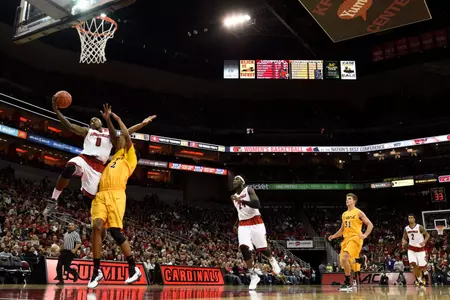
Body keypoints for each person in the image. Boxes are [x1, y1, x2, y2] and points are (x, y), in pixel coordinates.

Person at [43, 97, 156, 216]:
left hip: (98, 167)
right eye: (91, 120)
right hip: (84, 159)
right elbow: (70, 126)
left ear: (101, 122)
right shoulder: (87, 131)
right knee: (70, 167)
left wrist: (140, 123)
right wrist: (57, 111)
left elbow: (124, 134)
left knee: (90, 199)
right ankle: (53, 200)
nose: (93, 121)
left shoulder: (109, 134)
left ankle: (97, 222)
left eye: (95, 119)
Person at [87, 110, 142, 288]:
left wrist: (117, 118)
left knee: (116, 233)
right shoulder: (115, 157)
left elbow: (126, 134)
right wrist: (108, 118)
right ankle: (96, 271)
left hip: (117, 194)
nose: (123, 143)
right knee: (96, 226)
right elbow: (122, 136)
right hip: (101, 194)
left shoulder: (130, 159)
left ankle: (133, 268)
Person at [231, 175, 281, 290]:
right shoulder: (232, 197)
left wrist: (241, 200)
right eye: (233, 180)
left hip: (256, 222)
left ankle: (272, 260)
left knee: (262, 249)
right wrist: (236, 222)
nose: (234, 181)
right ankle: (253, 275)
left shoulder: (248, 190)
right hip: (243, 224)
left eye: (237, 179)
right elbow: (240, 210)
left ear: (242, 182)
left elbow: (257, 204)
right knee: (243, 247)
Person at [328, 193, 374, 292]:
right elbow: (342, 229)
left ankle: (348, 283)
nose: (347, 200)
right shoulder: (344, 214)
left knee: (344, 257)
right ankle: (360, 260)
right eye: (346, 199)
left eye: (349, 199)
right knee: (344, 262)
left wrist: (365, 235)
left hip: (355, 238)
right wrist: (333, 236)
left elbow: (370, 224)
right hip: (346, 239)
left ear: (354, 201)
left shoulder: (359, 212)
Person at [402, 213, 430, 289]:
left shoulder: (419, 227)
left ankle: (425, 273)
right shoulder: (406, 228)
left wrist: (424, 241)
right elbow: (404, 237)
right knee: (413, 264)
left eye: (411, 218)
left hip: (420, 250)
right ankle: (420, 280)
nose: (410, 219)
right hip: (411, 249)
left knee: (421, 267)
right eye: (409, 218)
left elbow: (427, 235)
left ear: (414, 219)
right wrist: (403, 241)